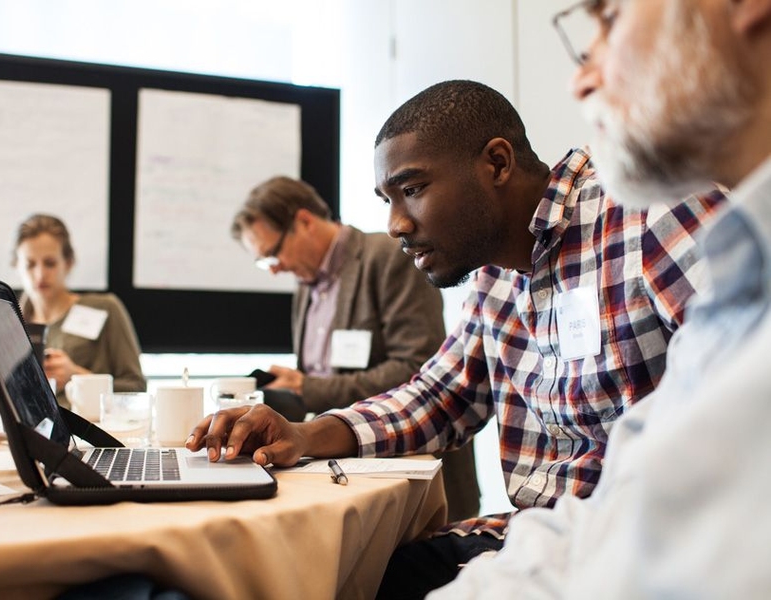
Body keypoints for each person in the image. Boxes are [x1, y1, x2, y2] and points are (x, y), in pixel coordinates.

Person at [187, 79, 727, 598]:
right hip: (541, 532)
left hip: (646, 542)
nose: (397, 224)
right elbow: (439, 396)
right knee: (346, 570)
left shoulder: (648, 211)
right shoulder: (495, 275)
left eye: (413, 190)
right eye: (386, 201)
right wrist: (305, 435)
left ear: (496, 163)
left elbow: (749, 392)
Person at [425, 1, 771, 598]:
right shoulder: (744, 261)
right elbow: (630, 502)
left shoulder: (659, 218)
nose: (582, 77)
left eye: (610, 19)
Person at [231, 176, 480, 521]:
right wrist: (296, 384)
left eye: (272, 254)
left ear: (304, 222)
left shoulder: (391, 257)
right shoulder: (305, 284)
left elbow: (416, 368)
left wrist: (308, 387)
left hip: (408, 478)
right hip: (341, 472)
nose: (275, 270)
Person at [12, 214, 146, 408]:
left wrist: (76, 375)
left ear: (68, 263)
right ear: (17, 267)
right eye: (30, 264)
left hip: (86, 431)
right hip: (25, 432)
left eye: (50, 263)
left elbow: (136, 387)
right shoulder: (12, 324)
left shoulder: (105, 308)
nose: (40, 274)